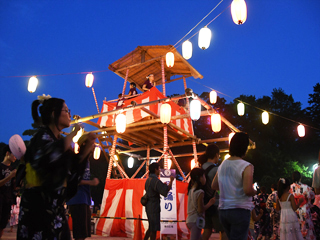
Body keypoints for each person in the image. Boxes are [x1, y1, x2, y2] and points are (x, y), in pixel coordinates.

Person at [17, 95, 96, 240]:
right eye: (66, 110)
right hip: (37, 210)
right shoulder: (41, 137)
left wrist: (86, 150)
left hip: (55, 213)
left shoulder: (59, 141)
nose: (69, 114)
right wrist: (73, 134)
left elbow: (71, 172)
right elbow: (48, 157)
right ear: (54, 113)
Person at [212, 132, 257, 240]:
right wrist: (254, 191)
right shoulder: (246, 166)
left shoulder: (223, 164)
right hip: (240, 210)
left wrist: (227, 188)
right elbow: (247, 190)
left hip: (223, 211)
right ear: (244, 148)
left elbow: (214, 185)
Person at [67, 135, 100, 240]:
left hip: (84, 199)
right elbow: (74, 180)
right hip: (77, 199)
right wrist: (91, 182)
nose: (93, 146)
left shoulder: (86, 161)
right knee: (79, 234)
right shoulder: (78, 160)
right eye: (91, 144)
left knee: (84, 233)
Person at [198, 144, 227, 240]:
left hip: (205, 204)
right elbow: (222, 188)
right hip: (216, 205)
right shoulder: (216, 170)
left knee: (207, 230)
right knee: (224, 230)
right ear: (216, 155)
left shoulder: (200, 169)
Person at [143, 162, 174, 240]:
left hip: (149, 206)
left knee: (151, 227)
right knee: (153, 229)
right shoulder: (155, 180)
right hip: (154, 206)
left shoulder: (148, 180)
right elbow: (165, 191)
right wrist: (171, 181)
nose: (160, 170)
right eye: (159, 169)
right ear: (155, 169)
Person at [186, 167, 215, 240]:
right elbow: (200, 210)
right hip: (196, 220)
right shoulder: (200, 192)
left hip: (190, 220)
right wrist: (210, 203)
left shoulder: (191, 190)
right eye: (204, 176)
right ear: (200, 178)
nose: (205, 178)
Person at [290, 171, 315, 240]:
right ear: (300, 178)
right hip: (304, 209)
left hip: (294, 210)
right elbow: (312, 196)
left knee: (295, 228)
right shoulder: (306, 187)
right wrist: (309, 203)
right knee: (306, 228)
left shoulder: (290, 188)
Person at [0, 145, 17, 238]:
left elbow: (13, 186)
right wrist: (9, 177)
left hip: (8, 199)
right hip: (1, 198)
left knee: (3, 224)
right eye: (14, 154)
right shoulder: (0, 167)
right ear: (7, 153)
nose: (15, 157)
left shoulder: (12, 169)